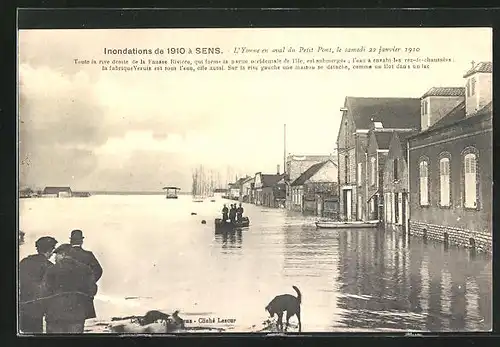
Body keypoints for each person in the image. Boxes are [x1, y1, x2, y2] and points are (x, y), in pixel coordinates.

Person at [43, 243, 96, 333]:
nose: (55, 258)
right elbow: (93, 290)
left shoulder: (52, 269)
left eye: (57, 255)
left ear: (63, 255)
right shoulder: (85, 269)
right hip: (77, 315)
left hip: (55, 315)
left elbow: (44, 291)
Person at [19, 236, 58, 333]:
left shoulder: (24, 262)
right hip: (38, 308)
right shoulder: (49, 266)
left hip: (22, 305)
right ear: (50, 250)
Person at [67, 230, 102, 321]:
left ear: (71, 241)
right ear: (81, 241)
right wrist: (90, 282)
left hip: (68, 292)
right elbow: (99, 270)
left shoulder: (66, 255)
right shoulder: (88, 255)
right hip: (85, 292)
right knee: (86, 321)